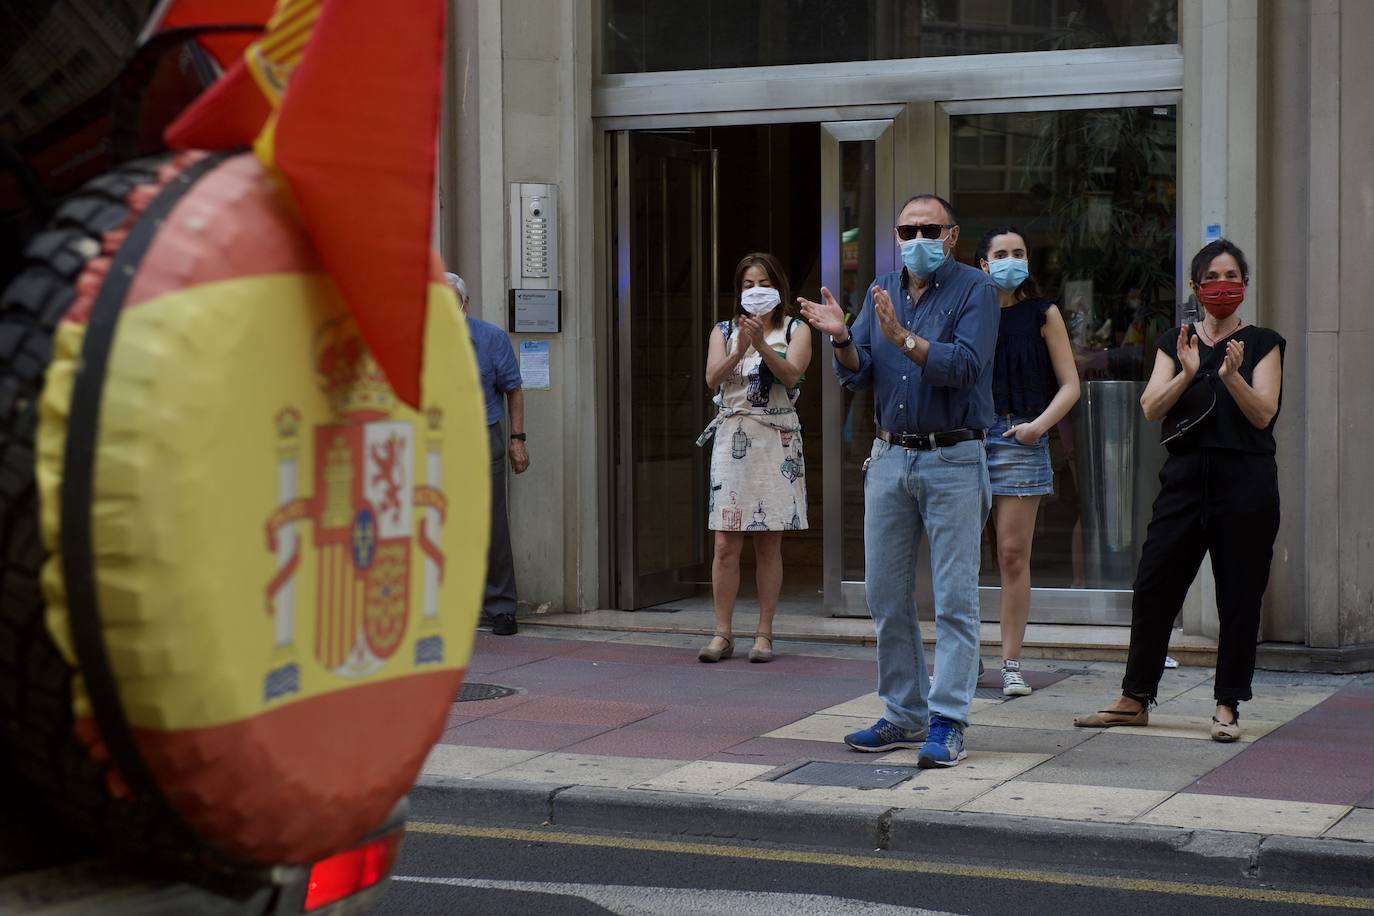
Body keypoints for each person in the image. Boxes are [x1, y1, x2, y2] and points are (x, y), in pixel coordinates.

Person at [799, 194, 998, 767]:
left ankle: (948, 721)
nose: (916, 239)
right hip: (890, 457)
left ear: (952, 235)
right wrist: (841, 336)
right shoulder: (883, 286)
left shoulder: (976, 290)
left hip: (955, 457)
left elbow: (963, 367)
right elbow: (857, 373)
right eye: (907, 230)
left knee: (955, 599)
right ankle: (904, 713)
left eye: (928, 229)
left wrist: (902, 339)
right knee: (886, 595)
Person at [1073, 239, 1284, 742]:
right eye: (1213, 277)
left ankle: (1228, 705)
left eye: (1233, 276)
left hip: (1246, 482)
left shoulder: (1264, 342)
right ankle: (1134, 697)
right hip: (1185, 480)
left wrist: (1232, 378)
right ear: (1195, 286)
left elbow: (1263, 414)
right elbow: (1150, 407)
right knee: (1154, 585)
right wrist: (1190, 371)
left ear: (1245, 285)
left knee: (1239, 595)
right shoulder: (1177, 341)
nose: (1224, 285)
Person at [975, 227, 1080, 696]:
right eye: (1001, 254)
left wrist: (1039, 426)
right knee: (956, 557)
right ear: (983, 263)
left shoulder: (1044, 312)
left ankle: (1011, 661)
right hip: (966, 438)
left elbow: (1070, 385)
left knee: (1012, 554)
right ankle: (964, 658)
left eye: (1019, 252)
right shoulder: (966, 311)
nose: (1010, 260)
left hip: (1021, 437)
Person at [697, 253, 812, 664]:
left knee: (769, 541)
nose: (756, 290)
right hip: (733, 436)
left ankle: (764, 633)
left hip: (776, 437)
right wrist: (738, 349)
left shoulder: (796, 328)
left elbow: (792, 374)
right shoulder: (723, 330)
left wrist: (762, 345)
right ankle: (722, 633)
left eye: (763, 282)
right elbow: (711, 378)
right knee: (725, 543)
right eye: (748, 284)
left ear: (777, 286)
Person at [447, 272, 529, 636]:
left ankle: (501, 606)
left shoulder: (491, 338)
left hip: (482, 435)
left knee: (491, 524)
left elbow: (513, 390)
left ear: (465, 303)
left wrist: (517, 439)